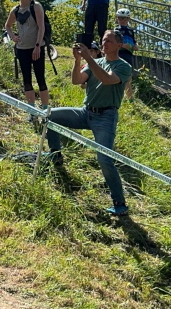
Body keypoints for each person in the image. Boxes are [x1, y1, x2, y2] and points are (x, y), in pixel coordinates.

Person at [46, 30, 133, 216]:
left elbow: (107, 79)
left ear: (119, 44)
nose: (104, 43)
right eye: (103, 40)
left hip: (106, 117)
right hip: (86, 112)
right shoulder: (95, 62)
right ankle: (56, 155)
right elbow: (77, 80)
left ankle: (120, 203)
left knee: (104, 159)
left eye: (109, 40)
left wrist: (89, 59)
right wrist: (78, 61)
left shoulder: (124, 66)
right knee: (51, 116)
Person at [4, 0, 49, 110]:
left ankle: (45, 110)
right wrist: (13, 36)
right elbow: (7, 25)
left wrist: (37, 46)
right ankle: (31, 110)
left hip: (36, 48)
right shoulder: (16, 9)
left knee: (40, 78)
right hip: (22, 49)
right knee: (27, 80)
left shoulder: (36, 6)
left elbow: (41, 28)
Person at [115, 8, 138, 101]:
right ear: (117, 19)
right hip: (120, 53)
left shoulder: (131, 31)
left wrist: (135, 46)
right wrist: (123, 45)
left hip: (129, 55)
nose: (123, 21)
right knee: (118, 74)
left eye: (125, 19)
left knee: (129, 75)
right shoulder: (116, 30)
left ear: (128, 19)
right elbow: (114, 42)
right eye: (120, 18)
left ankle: (129, 97)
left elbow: (134, 42)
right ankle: (118, 95)